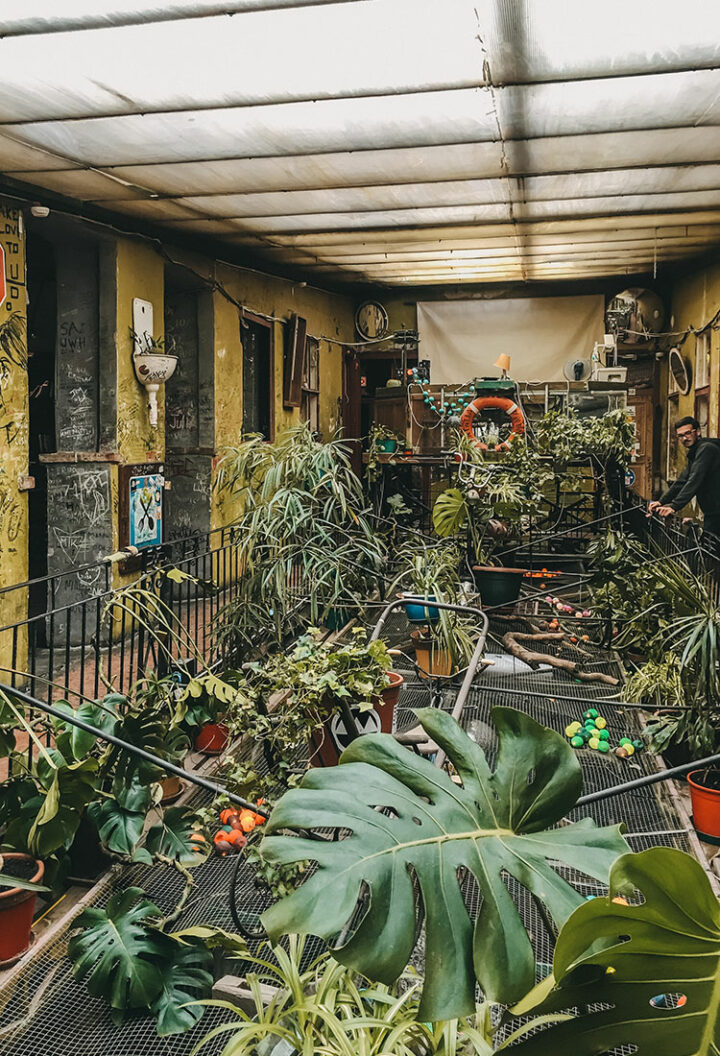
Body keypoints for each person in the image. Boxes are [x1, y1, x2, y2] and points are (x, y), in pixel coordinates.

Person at [648, 416, 720, 546]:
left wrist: (674, 506)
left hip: (716, 511)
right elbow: (682, 481)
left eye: (688, 433)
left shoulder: (706, 449)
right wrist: (661, 501)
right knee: (710, 550)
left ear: (697, 432)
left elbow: (694, 480)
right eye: (680, 436)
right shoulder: (695, 452)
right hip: (713, 511)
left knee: (710, 551)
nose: (684, 438)